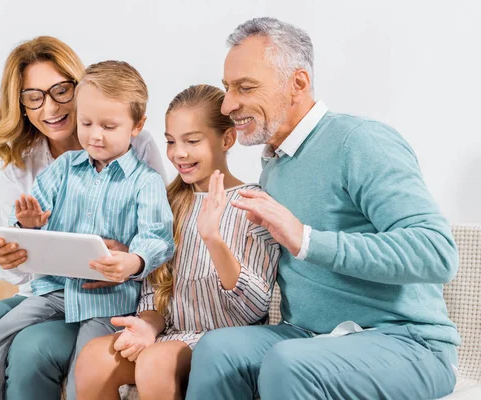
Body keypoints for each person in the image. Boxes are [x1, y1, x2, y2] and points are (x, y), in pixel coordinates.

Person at [185, 17, 460, 400]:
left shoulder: (358, 142)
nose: (229, 104)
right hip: (310, 336)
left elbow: (436, 253)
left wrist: (306, 240)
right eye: (227, 87)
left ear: (297, 84)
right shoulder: (274, 167)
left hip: (407, 342)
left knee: (289, 362)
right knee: (218, 349)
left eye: (245, 87)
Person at [0, 37, 166, 400]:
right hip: (47, 291)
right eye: (34, 97)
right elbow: (17, 273)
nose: (51, 106)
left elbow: (158, 235)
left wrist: (133, 258)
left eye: (61, 91)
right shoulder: (32, 167)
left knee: (34, 349)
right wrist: (15, 243)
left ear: (79, 88)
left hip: (108, 296)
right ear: (23, 106)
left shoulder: (138, 155)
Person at [74, 84, 281, 400]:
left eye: (192, 141)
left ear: (226, 139)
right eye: (171, 141)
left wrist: (213, 239)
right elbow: (155, 290)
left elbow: (255, 307)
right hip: (171, 335)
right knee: (94, 356)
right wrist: (147, 325)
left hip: (223, 343)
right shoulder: (167, 202)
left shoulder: (253, 204)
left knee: (156, 361)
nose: (178, 153)